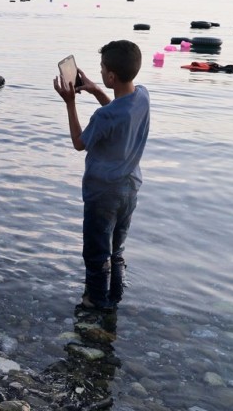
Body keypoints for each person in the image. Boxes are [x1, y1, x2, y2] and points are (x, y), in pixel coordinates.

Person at [53, 40, 150, 311]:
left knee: (96, 252)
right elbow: (118, 113)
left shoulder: (103, 117)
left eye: (102, 68)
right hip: (130, 189)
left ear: (111, 77)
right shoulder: (143, 97)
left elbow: (79, 142)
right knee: (116, 250)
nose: (100, 71)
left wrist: (70, 102)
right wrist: (96, 90)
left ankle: (94, 302)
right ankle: (114, 296)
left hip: (103, 193)